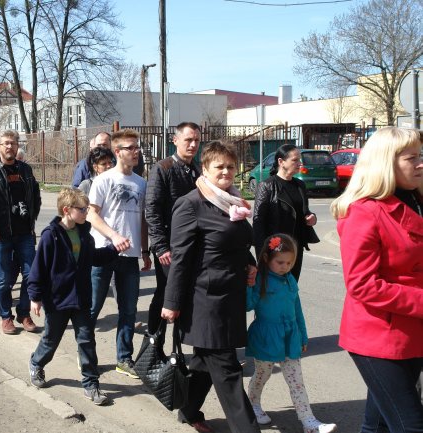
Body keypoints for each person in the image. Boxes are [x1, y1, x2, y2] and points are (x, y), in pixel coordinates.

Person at [161, 140, 259, 433]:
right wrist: (171, 302)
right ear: (205, 168)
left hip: (230, 296)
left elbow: (238, 240)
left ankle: (189, 410)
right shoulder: (190, 205)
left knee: (204, 363)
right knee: (228, 370)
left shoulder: (232, 200)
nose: (226, 171)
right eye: (220, 166)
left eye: (231, 166)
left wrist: (250, 261)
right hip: (205, 300)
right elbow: (180, 260)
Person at [331, 126, 423, 432]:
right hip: (379, 335)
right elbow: (361, 284)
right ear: (387, 163)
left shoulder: (416, 201)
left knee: (379, 424)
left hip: (411, 331)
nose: (421, 163)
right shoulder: (365, 212)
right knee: (410, 425)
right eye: (412, 158)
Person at [27, 188, 118, 405]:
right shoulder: (51, 236)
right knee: (51, 340)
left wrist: (114, 249)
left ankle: (91, 384)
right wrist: (35, 296)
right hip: (58, 299)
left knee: (86, 340)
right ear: (67, 210)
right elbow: (39, 268)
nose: (87, 212)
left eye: (87, 208)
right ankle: (36, 363)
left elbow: (94, 258)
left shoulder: (84, 234)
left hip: (81, 299)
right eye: (82, 209)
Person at [246, 233, 337, 433]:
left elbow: (297, 311)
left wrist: (303, 336)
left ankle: (309, 422)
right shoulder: (260, 279)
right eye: (280, 262)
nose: (285, 266)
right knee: (262, 374)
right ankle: (252, 404)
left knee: (296, 381)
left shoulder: (289, 280)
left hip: (290, 337)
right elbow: (248, 305)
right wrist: (249, 284)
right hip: (266, 337)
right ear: (267, 258)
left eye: (289, 262)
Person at [87, 128, 152, 379]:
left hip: (130, 256)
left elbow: (144, 221)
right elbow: (91, 214)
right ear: (117, 152)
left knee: (128, 310)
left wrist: (145, 250)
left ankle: (123, 359)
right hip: (104, 252)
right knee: (93, 308)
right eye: (130, 148)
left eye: (137, 147)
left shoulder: (141, 183)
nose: (136, 152)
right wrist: (113, 236)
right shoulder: (104, 180)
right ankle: (87, 356)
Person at [0, 130, 41, 335]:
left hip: (24, 234)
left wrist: (31, 220)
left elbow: (36, 198)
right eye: (5, 143)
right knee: (3, 279)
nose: (10, 147)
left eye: (13, 143)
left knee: (31, 275)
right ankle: (6, 317)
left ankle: (24, 313)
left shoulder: (26, 170)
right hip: (0, 235)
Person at [145, 121, 201, 336]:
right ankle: (153, 347)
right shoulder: (163, 168)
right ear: (175, 140)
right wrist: (160, 247)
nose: (193, 144)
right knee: (167, 294)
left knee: (187, 297)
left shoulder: (198, 169)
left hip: (192, 245)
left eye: (196, 140)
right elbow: (152, 209)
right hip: (169, 247)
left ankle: (178, 351)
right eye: (188, 139)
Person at [253, 144, 319, 281]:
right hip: (276, 249)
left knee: (291, 286)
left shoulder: (300, 185)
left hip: (295, 248)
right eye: (295, 160)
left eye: (299, 160)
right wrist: (262, 255)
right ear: (281, 162)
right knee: (274, 289)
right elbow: (258, 222)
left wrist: (312, 218)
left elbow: (305, 212)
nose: (299, 163)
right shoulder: (267, 186)